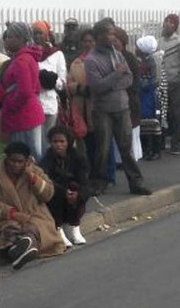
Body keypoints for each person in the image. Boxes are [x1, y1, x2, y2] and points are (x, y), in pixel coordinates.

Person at [85, 19, 152, 196]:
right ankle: (99, 182)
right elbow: (97, 86)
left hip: (122, 107)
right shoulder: (92, 60)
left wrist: (114, 80)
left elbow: (129, 79)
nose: (113, 37)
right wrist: (116, 75)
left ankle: (136, 182)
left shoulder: (118, 54)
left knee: (126, 148)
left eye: (114, 33)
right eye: (109, 33)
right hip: (103, 110)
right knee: (103, 148)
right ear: (99, 36)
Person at [0, 142, 66, 269]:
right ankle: (25, 246)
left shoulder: (36, 172)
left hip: (35, 215)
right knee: (11, 230)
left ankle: (25, 245)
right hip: (6, 219)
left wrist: (33, 178)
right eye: (12, 161)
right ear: (6, 159)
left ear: (26, 161)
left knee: (33, 227)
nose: (16, 165)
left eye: (20, 162)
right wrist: (12, 213)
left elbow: (48, 194)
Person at [0, 22, 45, 161]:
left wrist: (11, 106)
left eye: (10, 36)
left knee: (26, 156)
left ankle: (36, 182)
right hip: (28, 113)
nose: (6, 39)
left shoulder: (21, 61)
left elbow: (24, 91)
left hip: (22, 116)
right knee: (32, 154)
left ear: (20, 38)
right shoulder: (27, 57)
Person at [40, 126, 91, 247]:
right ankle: (58, 229)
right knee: (54, 195)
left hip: (73, 191)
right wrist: (63, 192)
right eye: (55, 142)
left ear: (68, 142)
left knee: (75, 190)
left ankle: (75, 227)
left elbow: (84, 182)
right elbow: (47, 180)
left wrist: (78, 195)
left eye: (62, 141)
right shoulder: (47, 160)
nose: (58, 145)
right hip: (57, 192)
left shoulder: (78, 158)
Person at [33, 20, 67, 154]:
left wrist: (50, 80)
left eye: (40, 33)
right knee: (35, 143)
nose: (37, 36)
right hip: (34, 103)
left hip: (50, 104)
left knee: (49, 140)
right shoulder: (29, 53)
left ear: (47, 34)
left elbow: (62, 82)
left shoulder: (56, 54)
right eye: (34, 33)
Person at [160, 14, 180, 155]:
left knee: (178, 113)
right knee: (166, 113)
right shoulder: (159, 42)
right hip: (163, 82)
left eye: (170, 23)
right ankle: (171, 139)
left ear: (175, 26)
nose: (167, 24)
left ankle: (176, 143)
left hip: (178, 83)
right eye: (166, 22)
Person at [136, 35, 168, 161]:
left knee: (154, 121)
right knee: (145, 121)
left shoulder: (153, 62)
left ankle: (156, 150)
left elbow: (156, 80)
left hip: (151, 96)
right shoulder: (143, 61)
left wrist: (141, 84)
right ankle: (147, 149)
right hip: (144, 96)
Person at [113, 27, 143, 162]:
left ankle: (132, 158)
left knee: (130, 131)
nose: (114, 44)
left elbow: (135, 81)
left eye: (116, 41)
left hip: (129, 99)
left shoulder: (129, 58)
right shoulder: (110, 57)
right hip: (115, 101)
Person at [67, 28, 95, 158]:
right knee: (82, 141)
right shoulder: (76, 63)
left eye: (91, 41)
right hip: (79, 106)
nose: (88, 44)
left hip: (96, 106)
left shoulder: (100, 59)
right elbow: (69, 83)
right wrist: (80, 88)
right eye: (85, 41)